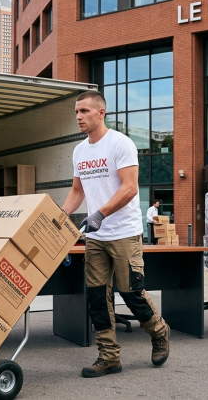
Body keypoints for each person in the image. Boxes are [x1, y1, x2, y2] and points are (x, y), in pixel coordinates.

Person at [61, 90, 169, 378]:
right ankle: (109, 357)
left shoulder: (120, 144)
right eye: (76, 112)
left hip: (123, 233)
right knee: (97, 297)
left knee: (131, 292)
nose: (78, 117)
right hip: (95, 237)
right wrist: (60, 218)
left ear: (100, 113)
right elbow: (77, 191)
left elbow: (130, 187)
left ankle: (159, 332)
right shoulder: (80, 151)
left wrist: (100, 214)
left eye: (84, 111)